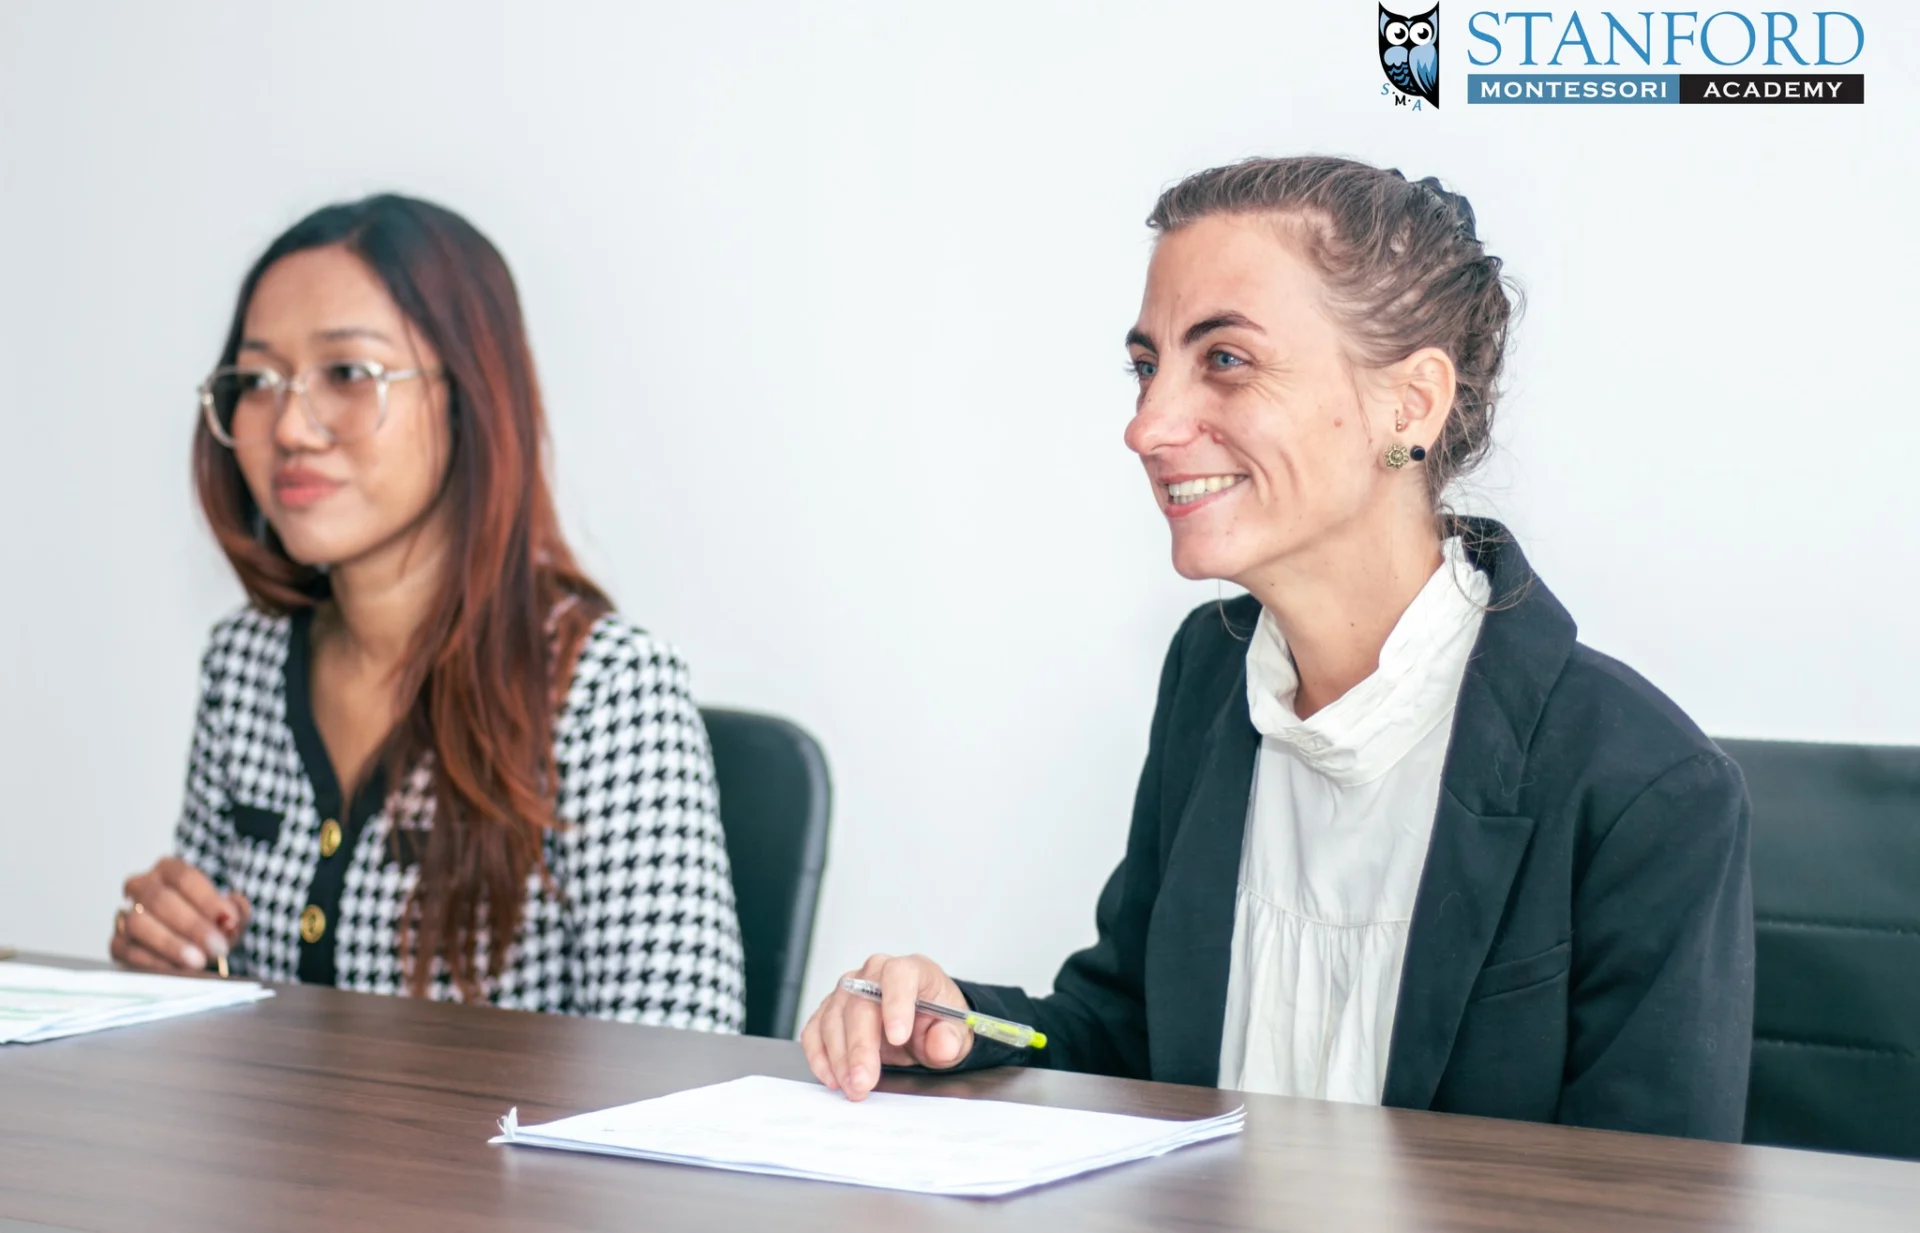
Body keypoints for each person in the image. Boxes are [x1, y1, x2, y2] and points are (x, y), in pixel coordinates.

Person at [801, 156, 1754, 1140]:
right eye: (1146, 367)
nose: (1146, 426)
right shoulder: (1209, 676)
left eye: (1224, 359)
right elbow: (1133, 1037)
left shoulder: (1644, 786)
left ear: (1410, 405)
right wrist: (957, 1022)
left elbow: (1653, 1194)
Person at [111, 195, 746, 1030]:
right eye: (258, 381)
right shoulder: (244, 661)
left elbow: (678, 1056)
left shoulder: (606, 688)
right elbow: (219, 1019)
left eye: (349, 373)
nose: (290, 426)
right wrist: (171, 958)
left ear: (467, 396)